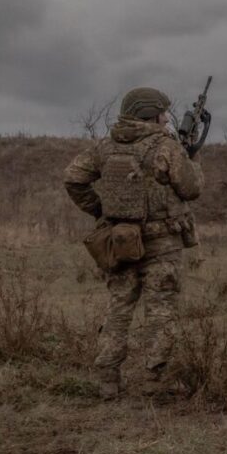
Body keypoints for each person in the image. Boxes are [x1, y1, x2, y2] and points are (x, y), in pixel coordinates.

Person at [64, 87, 203, 399]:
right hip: (162, 242)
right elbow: (192, 188)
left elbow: (73, 178)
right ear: (150, 114)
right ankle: (157, 380)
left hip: (120, 241)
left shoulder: (106, 145)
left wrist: (101, 211)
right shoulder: (166, 146)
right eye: (163, 112)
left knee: (118, 309)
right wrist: (193, 156)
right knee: (161, 311)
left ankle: (107, 379)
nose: (167, 117)